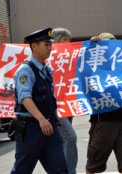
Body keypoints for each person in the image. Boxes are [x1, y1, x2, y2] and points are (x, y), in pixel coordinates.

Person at [11, 28, 68, 174]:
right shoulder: (26, 70)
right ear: (34, 46)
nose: (50, 48)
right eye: (46, 44)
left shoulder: (47, 70)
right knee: (22, 170)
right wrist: (41, 119)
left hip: (49, 127)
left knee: (60, 169)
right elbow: (25, 98)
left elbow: (50, 97)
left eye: (50, 45)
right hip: (31, 128)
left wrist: (54, 117)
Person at [86, 33, 122, 174]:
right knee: (94, 164)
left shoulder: (121, 66)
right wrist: (91, 45)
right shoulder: (92, 65)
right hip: (102, 121)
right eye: (106, 45)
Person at [52, 27, 78, 174]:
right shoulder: (47, 57)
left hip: (67, 104)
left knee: (62, 140)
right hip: (55, 106)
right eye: (64, 39)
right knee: (70, 137)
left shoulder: (70, 57)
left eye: (69, 39)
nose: (68, 42)